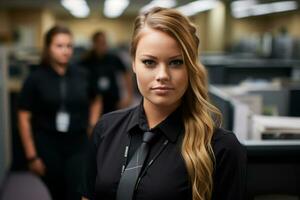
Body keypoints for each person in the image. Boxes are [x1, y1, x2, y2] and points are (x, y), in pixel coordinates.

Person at [81, 7, 246, 200]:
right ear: (134, 63)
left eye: (176, 62)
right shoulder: (106, 129)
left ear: (191, 66)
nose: (162, 76)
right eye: (149, 62)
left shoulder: (220, 147)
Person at [18, 25, 101, 200]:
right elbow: (24, 117)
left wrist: (93, 123)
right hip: (47, 144)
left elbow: (96, 99)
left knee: (76, 190)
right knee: (55, 191)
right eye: (59, 46)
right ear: (48, 48)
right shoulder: (35, 78)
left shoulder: (82, 74)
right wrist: (31, 156)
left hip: (77, 142)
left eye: (69, 46)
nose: (65, 51)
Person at [80, 31, 134, 114]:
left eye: (104, 42)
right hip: (92, 101)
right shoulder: (86, 60)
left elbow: (126, 74)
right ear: (94, 43)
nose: (102, 46)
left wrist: (129, 96)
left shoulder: (113, 58)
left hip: (113, 100)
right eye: (99, 42)